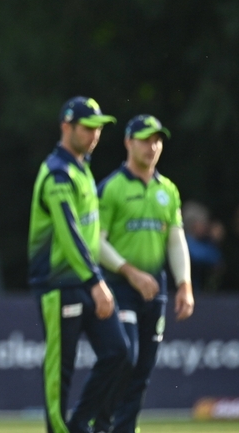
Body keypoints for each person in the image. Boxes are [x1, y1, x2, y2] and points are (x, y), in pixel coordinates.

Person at [27, 96, 130, 433]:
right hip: (59, 285)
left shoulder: (81, 168)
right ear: (67, 126)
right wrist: (96, 281)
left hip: (86, 280)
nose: (95, 135)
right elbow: (70, 236)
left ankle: (81, 424)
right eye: (88, 128)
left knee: (118, 353)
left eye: (98, 129)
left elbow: (88, 237)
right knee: (61, 371)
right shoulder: (57, 173)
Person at [93, 114, 195, 432]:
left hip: (156, 289)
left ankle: (125, 428)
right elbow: (96, 241)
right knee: (126, 357)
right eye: (145, 139)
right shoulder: (112, 188)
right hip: (120, 286)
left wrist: (184, 284)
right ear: (128, 142)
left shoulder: (168, 190)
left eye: (157, 140)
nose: (152, 146)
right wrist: (130, 271)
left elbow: (176, 240)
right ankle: (102, 423)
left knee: (143, 370)